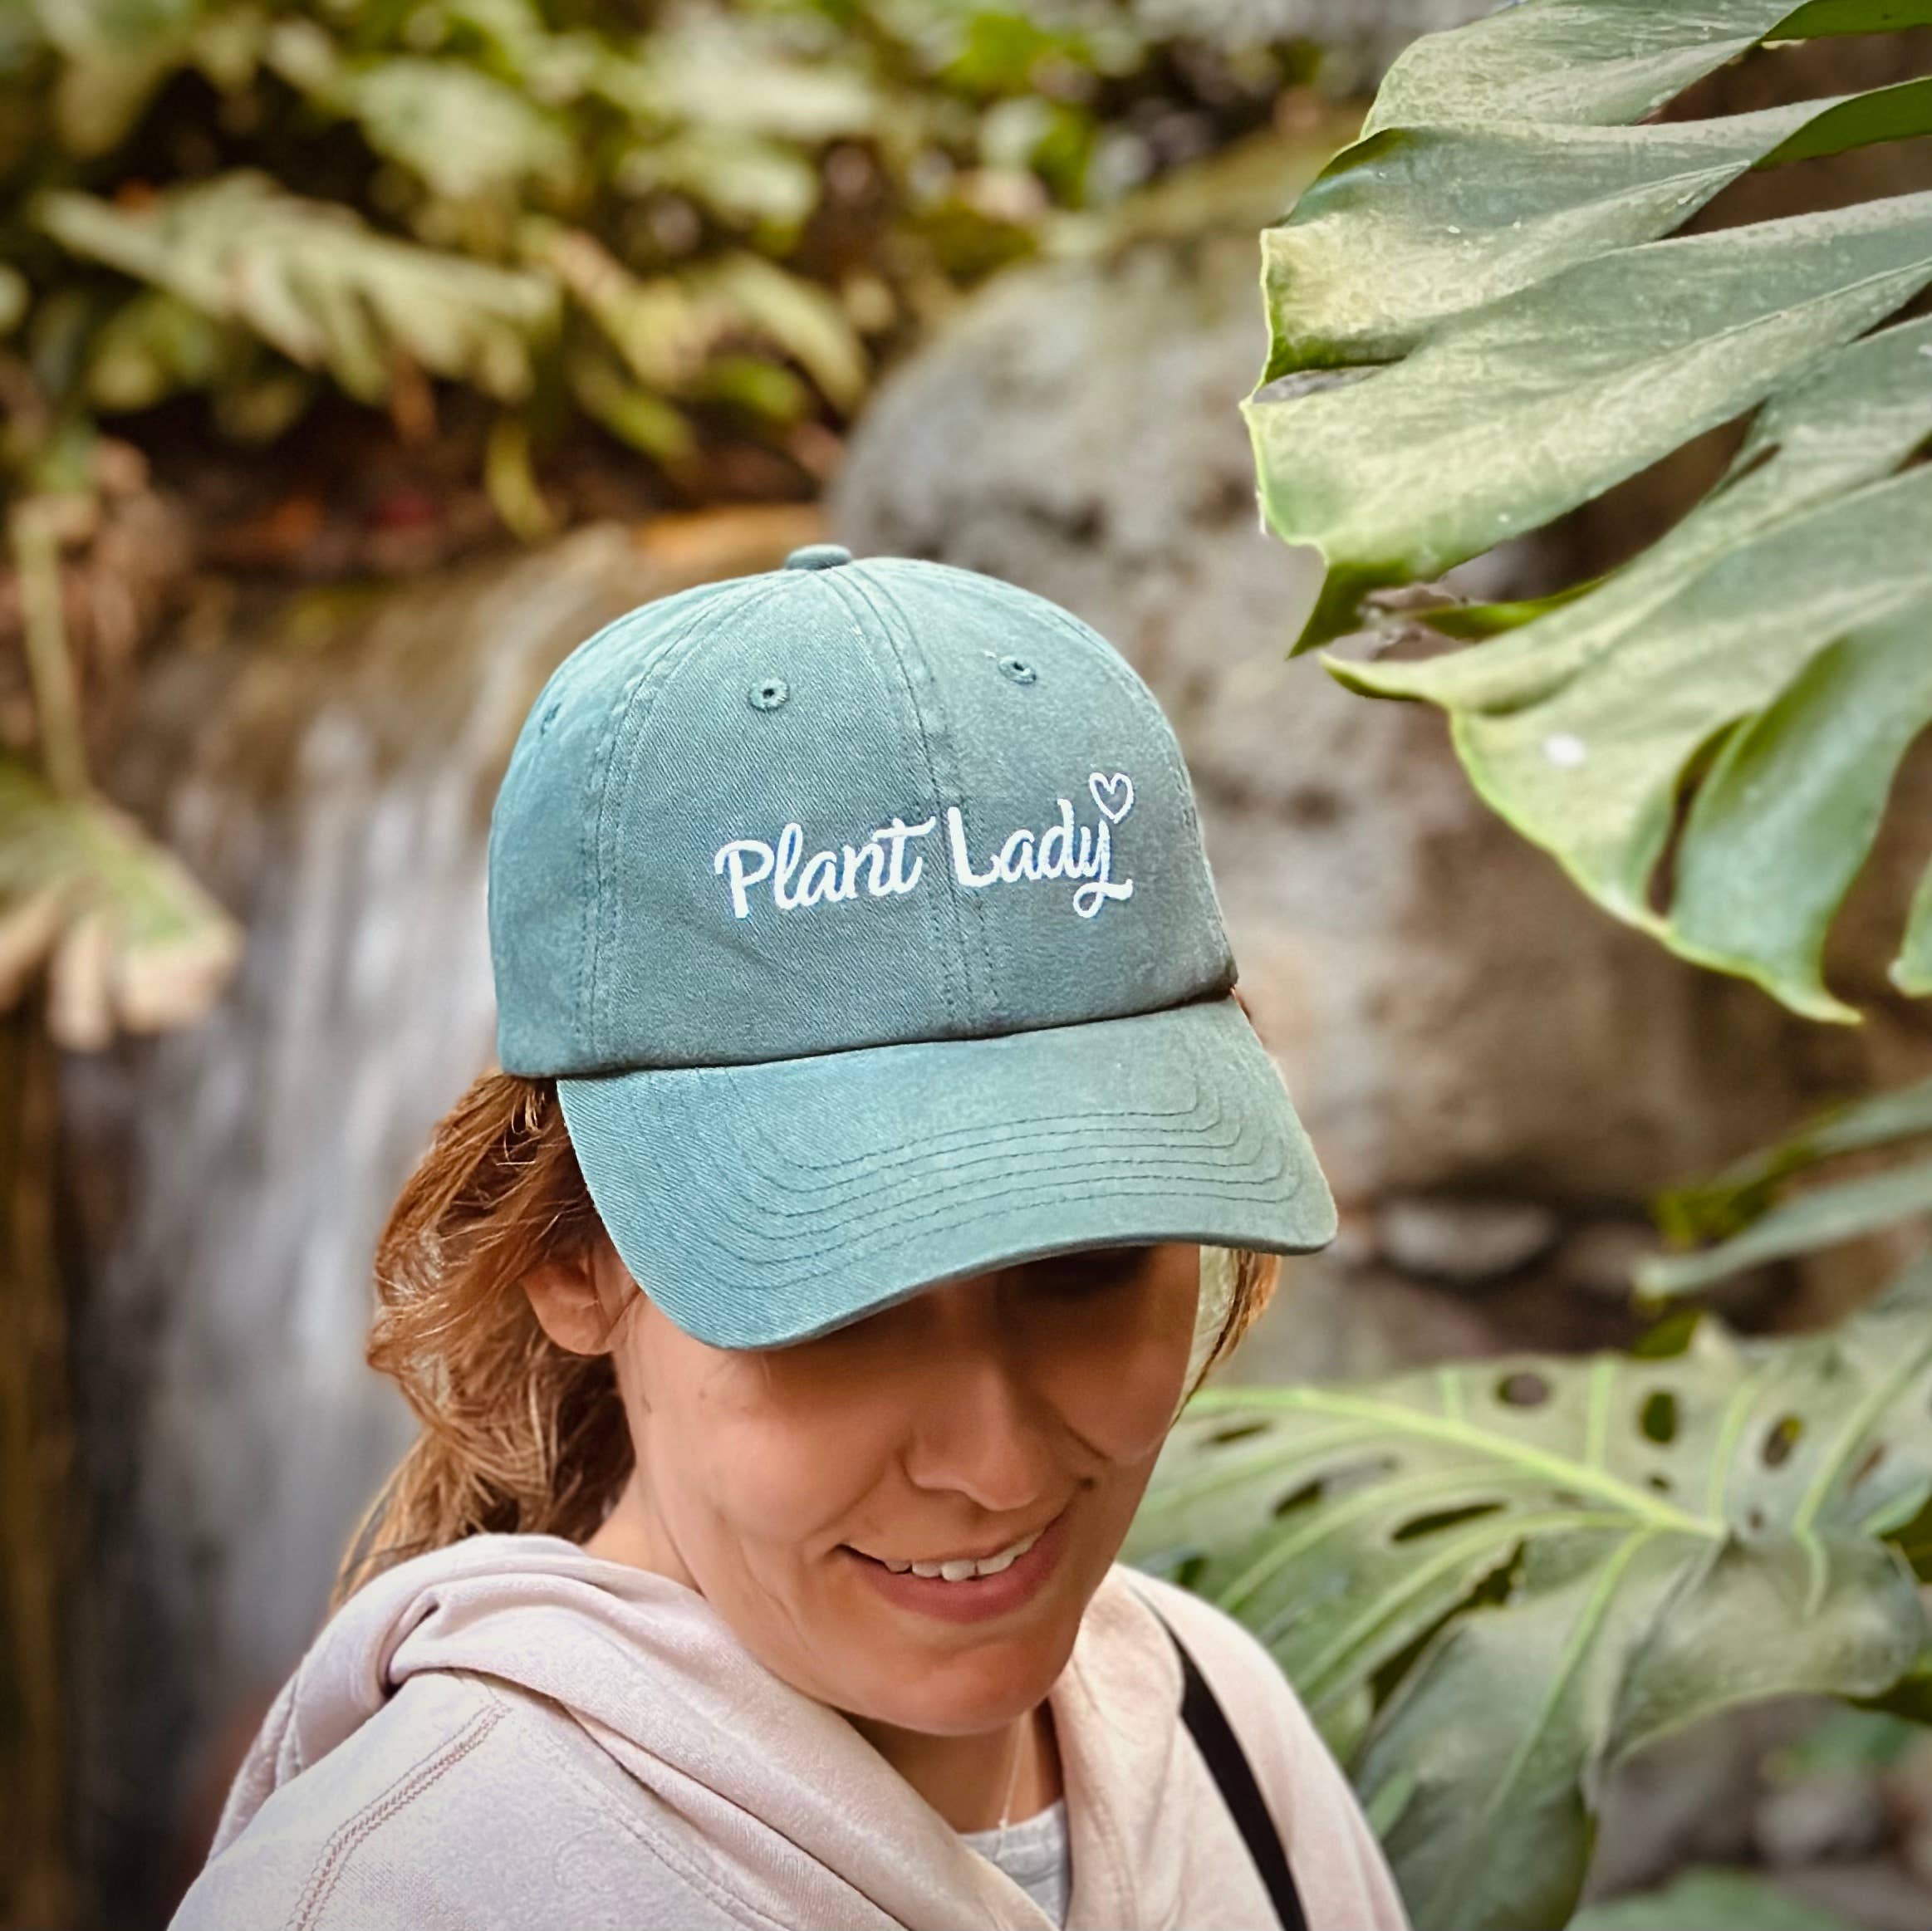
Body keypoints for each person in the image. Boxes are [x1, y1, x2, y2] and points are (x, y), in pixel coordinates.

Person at [169, 543, 1410, 1931]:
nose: (993, 1464)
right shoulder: (403, 1895)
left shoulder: (1223, 1733)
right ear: (570, 1260)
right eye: (840, 1310)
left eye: (1083, 1267)